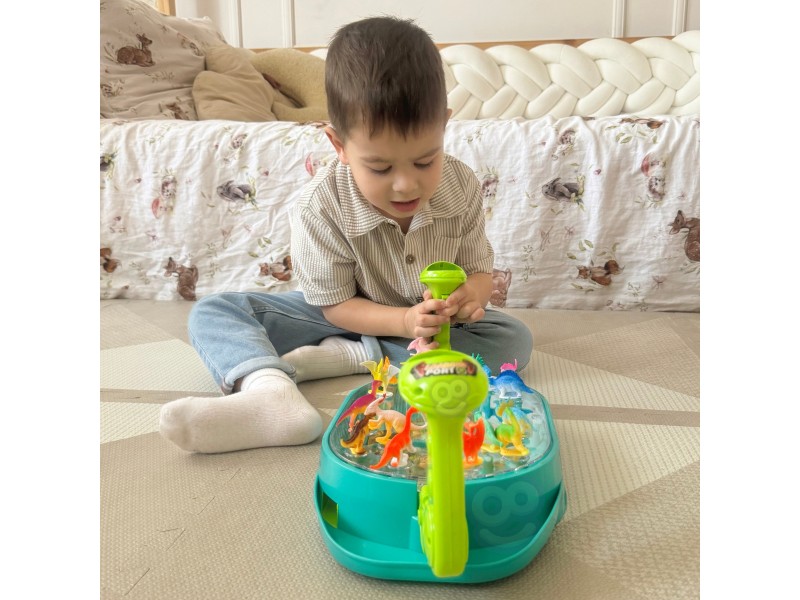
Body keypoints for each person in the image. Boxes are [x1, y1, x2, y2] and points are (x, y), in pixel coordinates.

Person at [159, 16, 533, 454]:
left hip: (430, 326)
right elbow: (334, 305)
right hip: (343, 312)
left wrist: (470, 297)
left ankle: (353, 356)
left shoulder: (461, 185)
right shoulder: (321, 204)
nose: (406, 185)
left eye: (425, 161)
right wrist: (402, 322)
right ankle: (268, 391)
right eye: (380, 168)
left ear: (444, 127)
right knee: (216, 311)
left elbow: (478, 272)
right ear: (338, 145)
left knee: (513, 340)